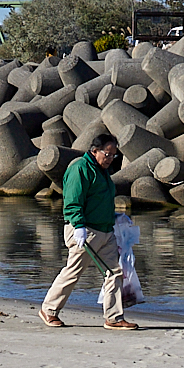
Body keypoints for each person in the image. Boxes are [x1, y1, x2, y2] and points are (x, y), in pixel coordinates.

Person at [42, 136, 134, 328]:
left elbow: (99, 199)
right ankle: (49, 310)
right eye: (107, 154)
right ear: (94, 150)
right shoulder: (80, 168)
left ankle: (114, 318)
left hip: (104, 230)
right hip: (85, 231)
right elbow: (73, 201)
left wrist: (115, 216)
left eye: (113, 156)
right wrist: (78, 226)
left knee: (115, 273)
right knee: (73, 272)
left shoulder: (102, 171)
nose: (110, 159)